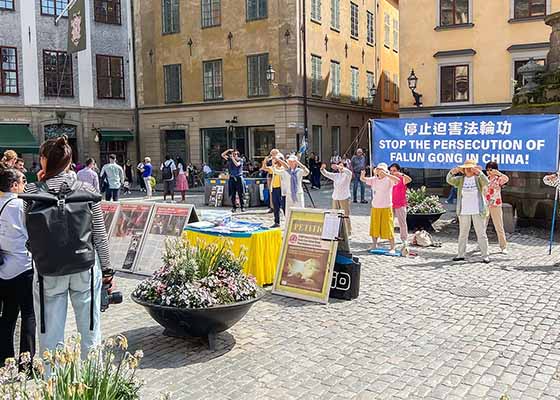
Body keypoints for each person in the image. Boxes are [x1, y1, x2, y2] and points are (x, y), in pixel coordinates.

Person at [24, 136, 112, 360]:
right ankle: (93, 385)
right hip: (85, 266)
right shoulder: (86, 189)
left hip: (48, 269)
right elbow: (100, 235)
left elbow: (26, 234)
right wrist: (108, 271)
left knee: (50, 335)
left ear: (43, 160)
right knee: (90, 332)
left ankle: (53, 386)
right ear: (69, 160)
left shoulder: (31, 192)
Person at [0, 167, 35, 367]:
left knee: (8, 315)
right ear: (14, 185)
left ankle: (5, 359)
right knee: (28, 314)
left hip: (3, 267)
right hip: (23, 265)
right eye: (23, 180)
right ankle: (27, 362)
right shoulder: (21, 205)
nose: (25, 184)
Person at [447, 159, 490, 263]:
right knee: (463, 234)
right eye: (467, 168)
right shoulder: (460, 180)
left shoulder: (478, 178)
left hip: (477, 210)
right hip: (464, 210)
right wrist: (452, 171)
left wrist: (479, 172)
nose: (469, 170)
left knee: (481, 234)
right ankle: (460, 254)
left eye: (471, 168)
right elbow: (449, 180)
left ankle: (485, 255)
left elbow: (486, 182)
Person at [361, 163, 400, 253]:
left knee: (388, 227)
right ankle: (374, 245)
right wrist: (362, 175)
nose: (379, 171)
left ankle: (392, 247)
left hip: (386, 206)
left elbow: (397, 180)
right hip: (375, 206)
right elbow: (363, 179)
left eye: (381, 170)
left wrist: (386, 174)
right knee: (375, 226)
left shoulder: (388, 179)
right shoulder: (374, 179)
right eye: (378, 169)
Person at [320, 160, 353, 236]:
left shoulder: (347, 175)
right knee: (335, 214)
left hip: (344, 197)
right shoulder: (336, 175)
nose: (340, 168)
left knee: (345, 215)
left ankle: (348, 232)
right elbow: (327, 174)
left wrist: (340, 167)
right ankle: (335, 231)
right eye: (339, 166)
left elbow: (349, 172)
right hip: (335, 197)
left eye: (342, 166)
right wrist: (322, 169)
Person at [274, 155, 310, 222]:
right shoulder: (286, 171)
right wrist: (274, 163)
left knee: (300, 211)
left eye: (292, 162)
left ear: (295, 163)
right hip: (289, 194)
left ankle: (300, 225)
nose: (290, 163)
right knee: (288, 212)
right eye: (289, 162)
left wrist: (298, 163)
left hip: (298, 194)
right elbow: (276, 171)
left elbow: (307, 172)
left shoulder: (299, 171)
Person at [485, 161, 509, 254]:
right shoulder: (485, 179)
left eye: (491, 170)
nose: (489, 172)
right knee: (482, 226)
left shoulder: (498, 179)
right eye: (487, 170)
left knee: (499, 226)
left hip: (496, 205)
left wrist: (498, 173)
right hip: (485, 205)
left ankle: (503, 246)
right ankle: (481, 244)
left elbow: (506, 179)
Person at [261, 151, 286, 228]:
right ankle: (277, 222)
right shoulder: (274, 168)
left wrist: (276, 159)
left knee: (284, 206)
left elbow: (283, 167)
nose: (274, 162)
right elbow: (264, 168)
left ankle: (287, 221)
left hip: (281, 189)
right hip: (274, 189)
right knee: (276, 206)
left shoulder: (283, 169)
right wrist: (265, 161)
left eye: (275, 161)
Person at [389, 163, 412, 246]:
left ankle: (404, 238)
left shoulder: (402, 178)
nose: (392, 172)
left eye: (394, 170)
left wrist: (401, 174)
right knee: (389, 222)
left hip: (400, 203)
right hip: (390, 203)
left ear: (398, 171)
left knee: (402, 222)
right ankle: (390, 237)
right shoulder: (389, 179)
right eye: (391, 170)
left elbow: (409, 179)